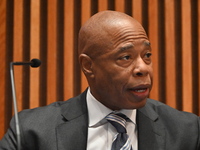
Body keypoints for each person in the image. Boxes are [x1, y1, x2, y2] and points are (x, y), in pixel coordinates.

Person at [0, 10, 200, 150]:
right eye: (126, 57)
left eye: (147, 55)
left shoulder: (187, 132)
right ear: (88, 66)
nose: (143, 68)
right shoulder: (31, 132)